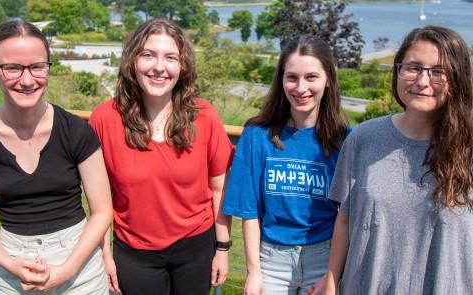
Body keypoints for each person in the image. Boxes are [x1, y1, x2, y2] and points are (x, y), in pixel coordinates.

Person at [314, 26, 473, 295]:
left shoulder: (468, 147)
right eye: (413, 67)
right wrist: (330, 282)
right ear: (398, 71)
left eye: (438, 72)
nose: (422, 81)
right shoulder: (363, 138)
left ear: (457, 79)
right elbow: (345, 220)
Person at [89, 18, 233, 295]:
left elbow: (219, 189)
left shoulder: (205, 116)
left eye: (170, 57)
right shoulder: (104, 119)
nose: (159, 67)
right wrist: (104, 255)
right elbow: (100, 201)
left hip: (197, 249)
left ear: (182, 66)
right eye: (148, 55)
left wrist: (223, 249)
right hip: (134, 254)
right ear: (132, 61)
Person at [222, 35, 350, 295]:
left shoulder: (346, 140)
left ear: (328, 81)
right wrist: (253, 271)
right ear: (281, 81)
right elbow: (249, 212)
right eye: (292, 77)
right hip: (270, 262)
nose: (300, 88)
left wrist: (332, 276)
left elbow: (346, 217)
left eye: (311, 77)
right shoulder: (256, 136)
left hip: (325, 260)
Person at [0, 20, 112, 294]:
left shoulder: (76, 131)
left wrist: (67, 270)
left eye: (37, 67)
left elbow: (103, 210)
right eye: (12, 67)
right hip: (10, 262)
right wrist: (9, 265)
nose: (26, 79)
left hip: (79, 265)